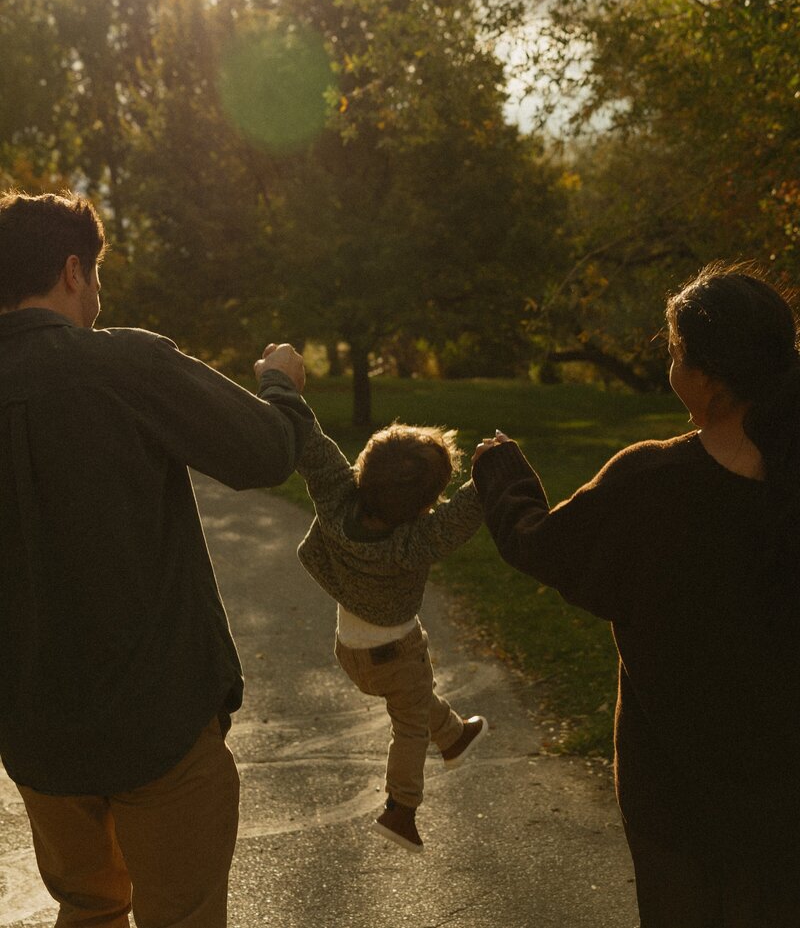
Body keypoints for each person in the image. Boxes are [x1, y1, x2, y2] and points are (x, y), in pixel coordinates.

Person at [0, 190, 314, 928]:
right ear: (73, 271)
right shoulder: (125, 364)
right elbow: (265, 450)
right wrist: (281, 386)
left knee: (87, 907)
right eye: (97, 281)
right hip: (159, 725)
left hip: (36, 735)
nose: (98, 301)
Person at [471, 261, 800, 927]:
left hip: (679, 801)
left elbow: (542, 543)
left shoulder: (655, 484)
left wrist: (500, 466)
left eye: (675, 354)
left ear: (707, 378)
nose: (670, 369)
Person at [294, 418, 488, 852]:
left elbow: (314, 448)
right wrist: (488, 471)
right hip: (396, 654)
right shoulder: (415, 541)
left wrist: (282, 387)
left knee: (415, 700)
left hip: (350, 650)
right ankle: (401, 810)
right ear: (426, 502)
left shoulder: (335, 501)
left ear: (363, 468)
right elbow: (459, 517)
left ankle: (455, 736)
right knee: (410, 724)